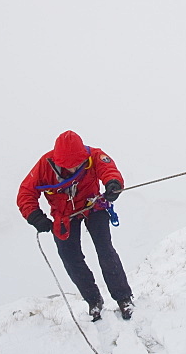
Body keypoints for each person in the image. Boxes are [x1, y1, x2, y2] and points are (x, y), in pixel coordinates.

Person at [17, 130, 134, 321]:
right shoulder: (44, 166)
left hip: (93, 206)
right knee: (70, 259)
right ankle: (93, 301)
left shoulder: (94, 155)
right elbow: (25, 193)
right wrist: (35, 216)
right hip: (63, 216)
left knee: (105, 250)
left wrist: (113, 184)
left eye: (77, 164)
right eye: (68, 166)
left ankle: (124, 298)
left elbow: (109, 170)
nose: (73, 169)